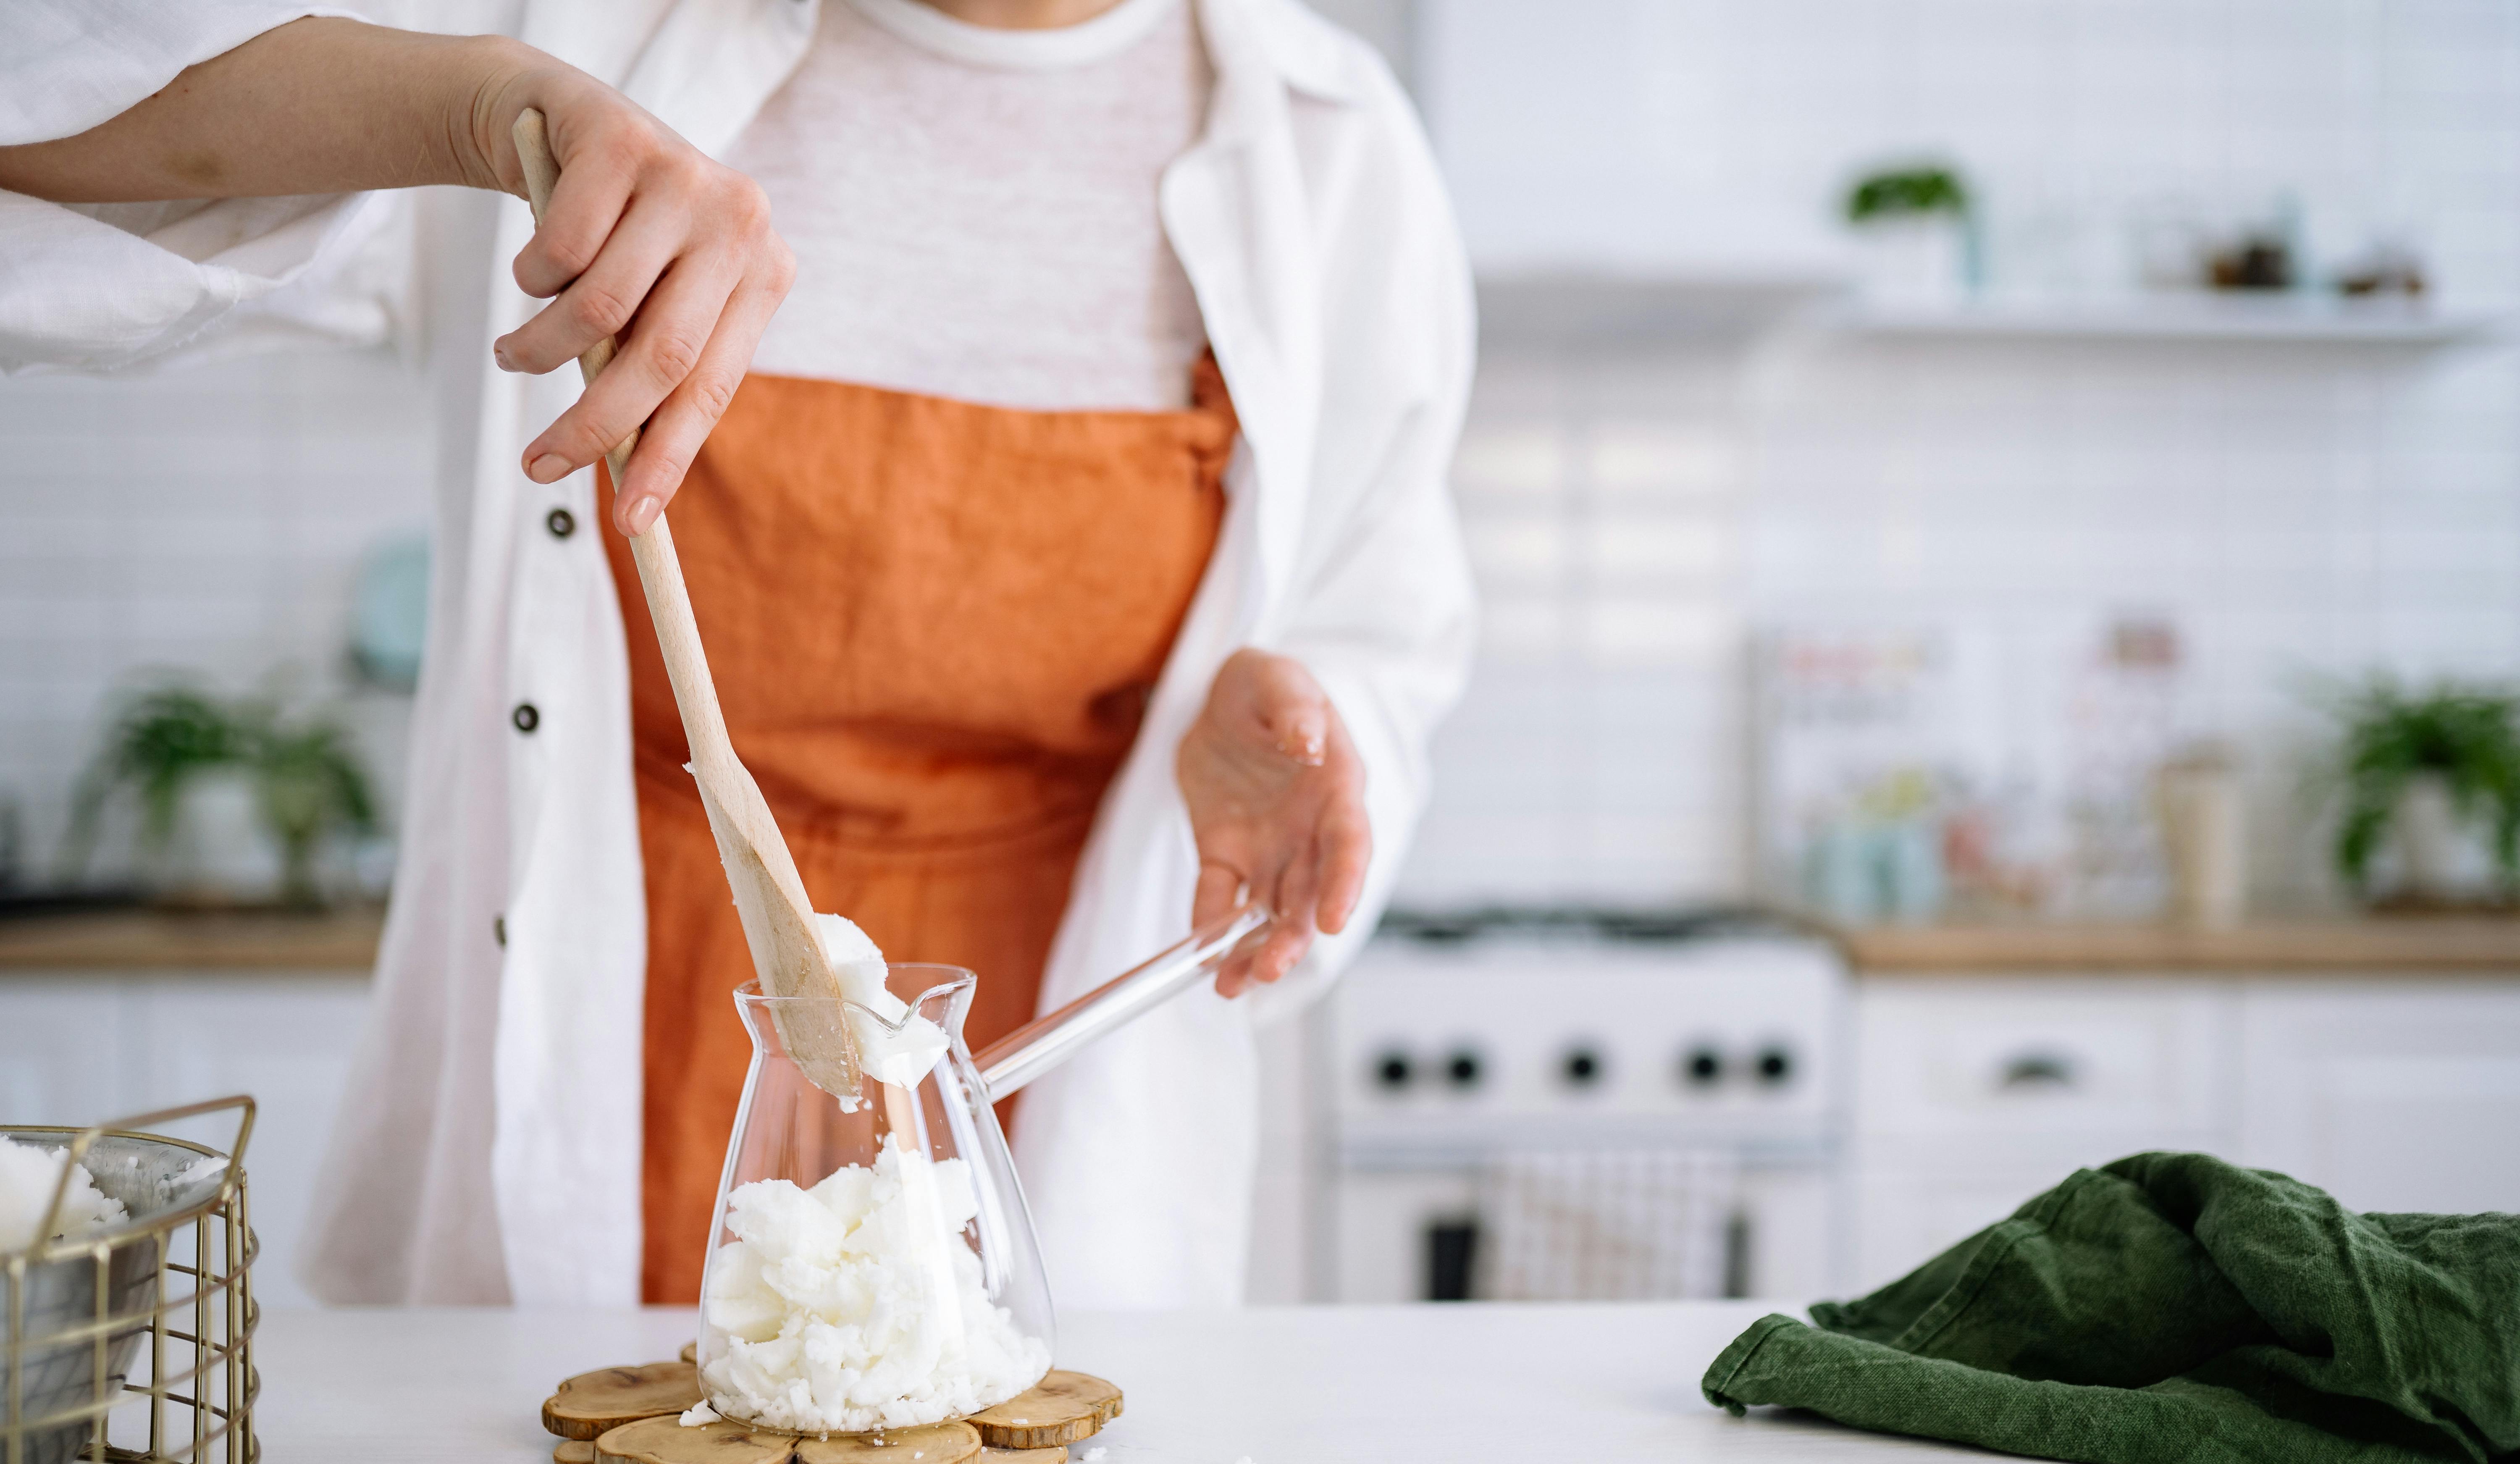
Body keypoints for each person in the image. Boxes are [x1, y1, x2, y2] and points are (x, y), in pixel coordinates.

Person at [0, 0, 1474, 1309]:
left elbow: (1377, 617)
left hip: (1054, 1141)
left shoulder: (1327, 151)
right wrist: (481, 105)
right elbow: (42, 112)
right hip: (587, 1098)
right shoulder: (597, 36)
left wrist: (1302, 718)